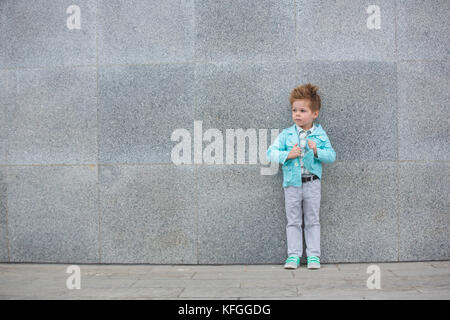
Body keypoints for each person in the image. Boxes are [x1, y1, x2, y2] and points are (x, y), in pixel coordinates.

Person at [266, 83, 336, 269]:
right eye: (294, 110)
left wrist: (316, 151)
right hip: (292, 183)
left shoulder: (320, 134)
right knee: (294, 221)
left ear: (315, 113)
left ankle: (313, 256)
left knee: (312, 220)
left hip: (312, 183)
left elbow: (331, 156)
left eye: (302, 110)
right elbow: (270, 153)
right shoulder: (286, 134)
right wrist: (288, 155)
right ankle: (293, 256)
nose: (297, 114)